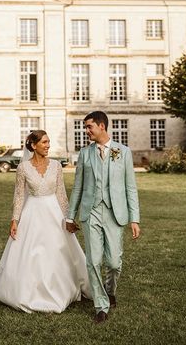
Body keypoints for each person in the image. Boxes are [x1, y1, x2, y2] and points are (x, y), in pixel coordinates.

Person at [0, 130, 90, 313]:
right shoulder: (23, 168)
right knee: (31, 252)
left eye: (48, 142)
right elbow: (19, 196)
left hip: (54, 214)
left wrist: (68, 218)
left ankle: (62, 287)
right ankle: (28, 290)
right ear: (33, 145)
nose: (48, 145)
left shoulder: (56, 166)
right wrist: (15, 220)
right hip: (32, 214)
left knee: (58, 250)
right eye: (44, 142)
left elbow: (61, 193)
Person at [66, 111, 141, 323]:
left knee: (114, 262)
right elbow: (78, 187)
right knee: (94, 261)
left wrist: (134, 219)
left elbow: (130, 187)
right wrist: (70, 216)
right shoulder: (85, 153)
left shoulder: (123, 152)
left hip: (115, 212)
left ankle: (110, 290)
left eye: (89, 127)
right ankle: (101, 304)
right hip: (91, 212)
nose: (86, 130)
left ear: (101, 126)